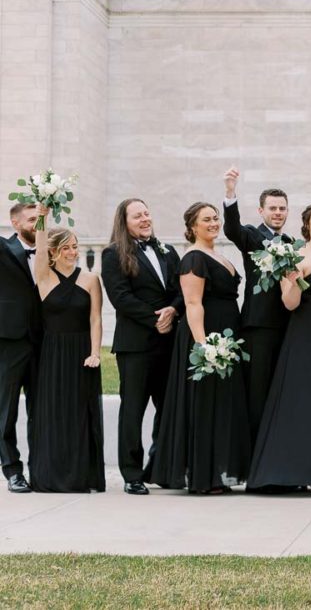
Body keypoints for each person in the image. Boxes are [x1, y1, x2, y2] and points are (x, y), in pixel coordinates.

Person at [248, 203, 311, 492]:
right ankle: (288, 472)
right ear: (307, 224)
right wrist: (293, 282)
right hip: (307, 334)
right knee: (307, 400)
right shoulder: (295, 255)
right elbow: (289, 303)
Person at [151, 203, 251, 494]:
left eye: (215, 218)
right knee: (206, 403)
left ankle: (220, 471)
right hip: (206, 337)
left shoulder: (216, 255)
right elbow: (193, 303)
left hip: (228, 336)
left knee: (223, 405)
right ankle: (203, 475)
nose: (213, 222)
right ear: (192, 226)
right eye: (206, 219)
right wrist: (203, 346)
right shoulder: (193, 258)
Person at [101, 198, 184, 495]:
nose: (145, 219)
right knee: (133, 409)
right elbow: (120, 297)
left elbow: (180, 289)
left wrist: (172, 311)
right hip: (135, 345)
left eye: (147, 213)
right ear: (124, 221)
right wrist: (154, 320)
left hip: (169, 342)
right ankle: (132, 474)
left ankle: (159, 466)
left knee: (168, 408)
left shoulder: (167, 251)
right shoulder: (113, 255)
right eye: (137, 215)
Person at [29, 216, 105, 492]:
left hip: (82, 352)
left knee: (80, 415)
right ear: (53, 252)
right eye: (67, 248)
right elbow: (38, 246)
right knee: (52, 413)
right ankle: (51, 475)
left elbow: (96, 319)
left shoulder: (90, 279)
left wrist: (95, 352)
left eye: (75, 246)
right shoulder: (44, 277)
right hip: (51, 353)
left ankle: (81, 476)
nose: (73, 252)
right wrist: (42, 215)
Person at [222, 168, 291, 446]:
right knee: (258, 392)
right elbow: (232, 229)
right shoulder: (252, 236)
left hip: (288, 324)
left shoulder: (290, 243)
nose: (277, 213)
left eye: (282, 208)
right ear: (261, 211)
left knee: (280, 391)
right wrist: (229, 193)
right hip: (258, 326)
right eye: (272, 208)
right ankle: (252, 457)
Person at [0, 203, 42, 493]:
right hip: (9, 341)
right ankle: (12, 470)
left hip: (45, 340)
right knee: (6, 409)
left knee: (42, 409)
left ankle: (41, 469)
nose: (35, 224)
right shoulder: (3, 249)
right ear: (15, 224)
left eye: (39, 219)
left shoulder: (51, 248)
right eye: (30, 219)